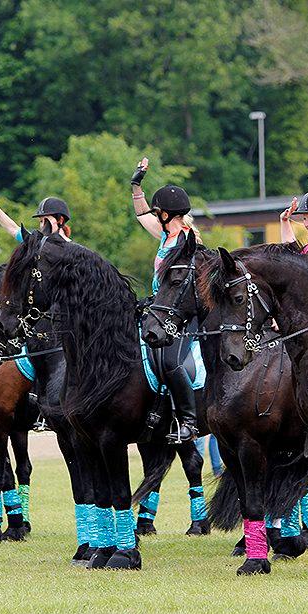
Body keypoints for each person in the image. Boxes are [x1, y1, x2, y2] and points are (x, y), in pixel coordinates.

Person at [131, 157, 201, 443]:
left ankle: (189, 421)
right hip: (162, 308)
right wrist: (136, 185)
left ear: (166, 214)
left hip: (186, 314)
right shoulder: (165, 235)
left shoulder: (187, 241)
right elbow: (141, 214)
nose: (155, 213)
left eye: (159, 211)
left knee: (171, 360)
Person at [0, 180, 72, 241]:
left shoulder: (73, 251)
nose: (42, 225)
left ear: (60, 220)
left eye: (45, 220)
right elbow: (12, 228)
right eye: (41, 221)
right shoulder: (36, 242)